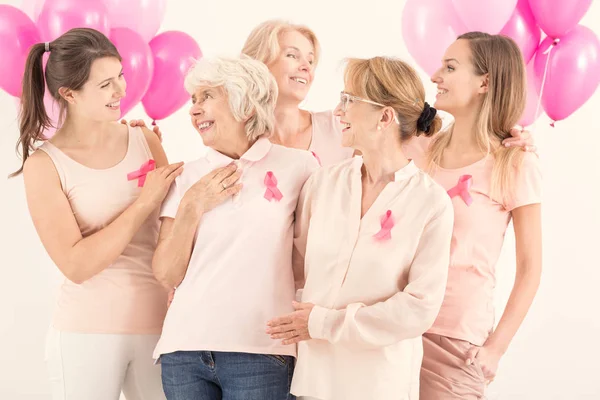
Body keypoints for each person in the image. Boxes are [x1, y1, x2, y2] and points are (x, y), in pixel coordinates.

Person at [266, 56, 454, 400]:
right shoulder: (323, 184)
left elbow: (419, 309)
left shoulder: (432, 203)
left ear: (384, 116)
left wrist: (324, 323)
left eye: (349, 101)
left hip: (379, 385)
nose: (338, 111)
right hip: (313, 382)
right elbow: (294, 269)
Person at [14, 28, 182, 400]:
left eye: (120, 76)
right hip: (86, 332)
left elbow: (175, 233)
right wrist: (142, 203)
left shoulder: (145, 139)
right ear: (69, 94)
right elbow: (76, 264)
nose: (122, 91)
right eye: (106, 84)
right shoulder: (44, 166)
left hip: (161, 327)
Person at [151, 55, 319, 400]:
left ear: (245, 104)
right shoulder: (187, 177)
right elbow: (167, 273)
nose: (194, 110)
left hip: (260, 348)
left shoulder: (298, 167)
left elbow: (313, 257)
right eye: (193, 100)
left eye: (207, 96)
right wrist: (193, 205)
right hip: (183, 348)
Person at [411, 32, 543, 399]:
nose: (435, 76)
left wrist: (496, 349)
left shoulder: (514, 162)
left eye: (450, 67)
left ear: (485, 82)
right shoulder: (423, 149)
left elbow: (531, 268)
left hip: (456, 342)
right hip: (396, 326)